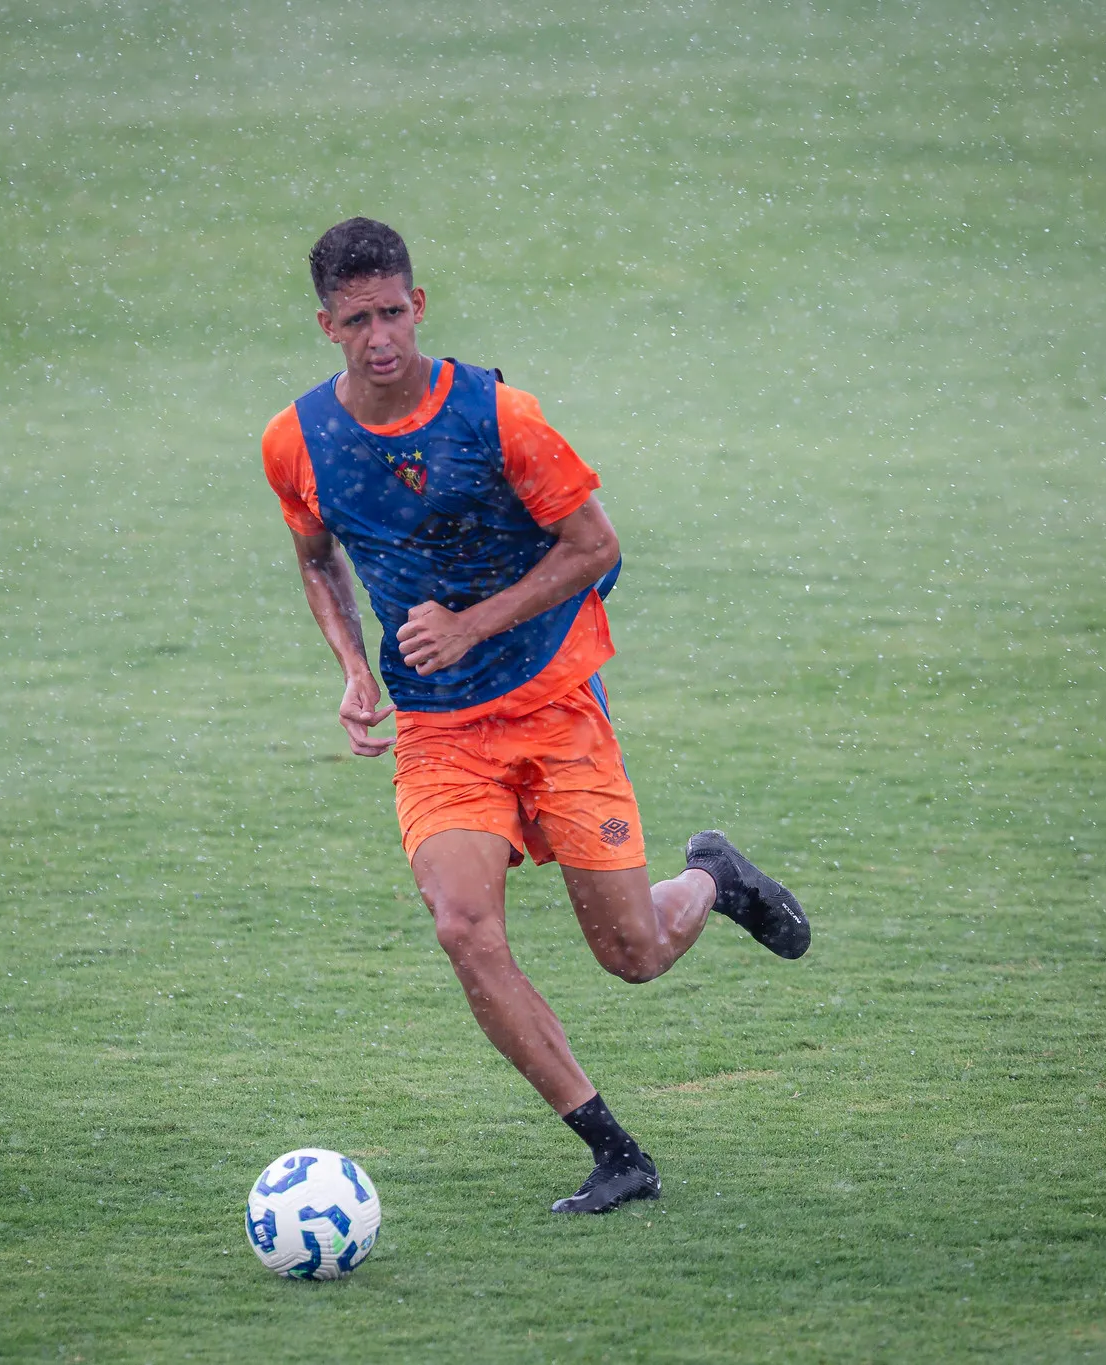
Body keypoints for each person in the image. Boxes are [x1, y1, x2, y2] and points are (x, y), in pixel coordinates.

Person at [260, 217, 809, 1214]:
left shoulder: (499, 417)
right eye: (356, 320)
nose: (379, 336)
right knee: (462, 927)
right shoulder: (295, 441)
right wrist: (351, 668)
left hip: (556, 707)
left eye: (393, 312)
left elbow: (594, 546)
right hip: (439, 736)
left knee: (632, 955)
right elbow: (313, 558)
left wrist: (469, 626)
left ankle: (712, 881)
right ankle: (615, 1154)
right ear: (325, 326)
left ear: (418, 306)